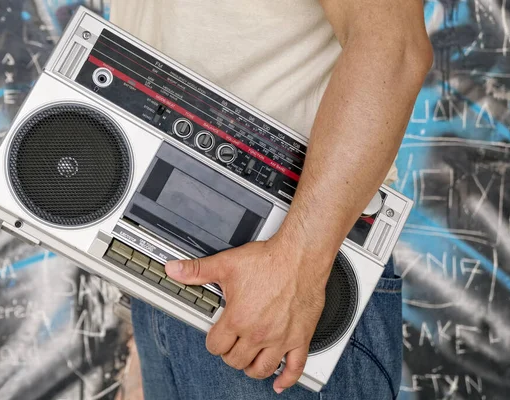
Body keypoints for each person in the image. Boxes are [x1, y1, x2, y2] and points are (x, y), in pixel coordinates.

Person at [109, 0, 432, 398]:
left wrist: (297, 267)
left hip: (286, 284)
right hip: (167, 286)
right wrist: (151, 318)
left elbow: (394, 49)